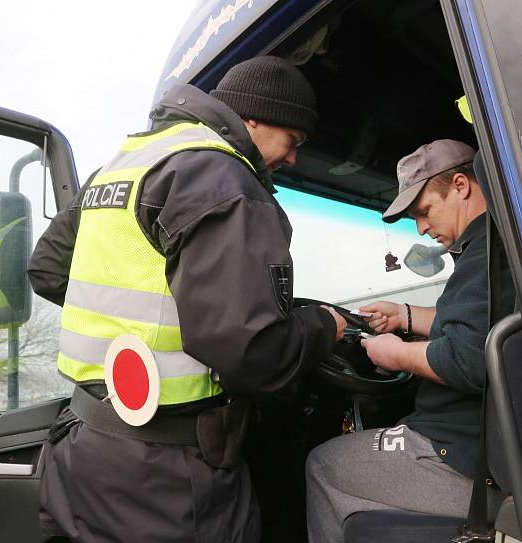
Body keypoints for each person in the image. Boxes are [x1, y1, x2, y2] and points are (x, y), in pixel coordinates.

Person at [28, 55, 347, 543]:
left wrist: (156, 320)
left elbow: (48, 270)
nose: (293, 158)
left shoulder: (120, 167)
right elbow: (254, 354)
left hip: (81, 449)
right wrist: (326, 326)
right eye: (293, 141)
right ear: (255, 117)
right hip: (167, 477)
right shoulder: (219, 176)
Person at [305, 139, 513, 542]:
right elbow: (474, 323)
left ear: (460, 185)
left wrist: (397, 355)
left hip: (462, 459)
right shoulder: (489, 249)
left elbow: (465, 360)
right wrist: (405, 315)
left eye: (424, 211)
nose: (420, 227)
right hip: (466, 441)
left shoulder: (486, 253)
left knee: (322, 465)